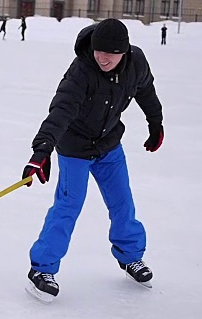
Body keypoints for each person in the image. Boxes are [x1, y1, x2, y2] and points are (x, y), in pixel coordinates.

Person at [22, 18, 163, 301]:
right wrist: (42, 150)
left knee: (123, 202)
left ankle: (130, 256)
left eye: (110, 52)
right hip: (75, 148)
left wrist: (155, 122)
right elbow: (61, 109)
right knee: (68, 207)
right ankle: (42, 269)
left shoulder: (136, 63)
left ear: (124, 51)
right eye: (99, 50)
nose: (102, 57)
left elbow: (145, 90)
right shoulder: (81, 71)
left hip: (109, 145)